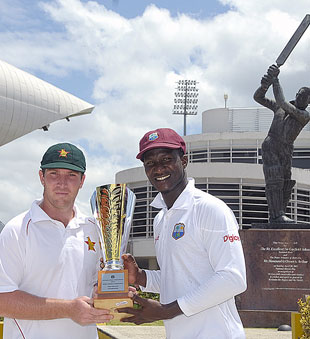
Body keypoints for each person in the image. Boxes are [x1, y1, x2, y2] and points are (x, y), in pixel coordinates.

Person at [119, 128, 247, 339]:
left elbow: (233, 278)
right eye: (150, 163)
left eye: (166, 159)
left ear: (184, 161)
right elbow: (179, 277)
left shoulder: (210, 209)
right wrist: (140, 276)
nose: (158, 169)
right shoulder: (161, 218)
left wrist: (166, 311)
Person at [0, 142, 113, 339]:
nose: (62, 182)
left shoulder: (94, 228)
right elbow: (2, 300)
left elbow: (96, 282)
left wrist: (109, 292)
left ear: (82, 180)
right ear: (41, 177)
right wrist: (68, 309)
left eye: (71, 175)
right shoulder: (17, 230)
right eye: (54, 173)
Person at [254, 64, 310, 223]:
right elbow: (258, 97)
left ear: (308, 101)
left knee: (285, 181)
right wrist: (265, 85)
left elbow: (282, 101)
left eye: (305, 96)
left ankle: (279, 215)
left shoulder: (304, 115)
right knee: (274, 179)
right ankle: (277, 215)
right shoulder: (279, 107)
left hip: (286, 148)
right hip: (272, 144)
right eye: (300, 94)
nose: (301, 97)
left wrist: (275, 79)